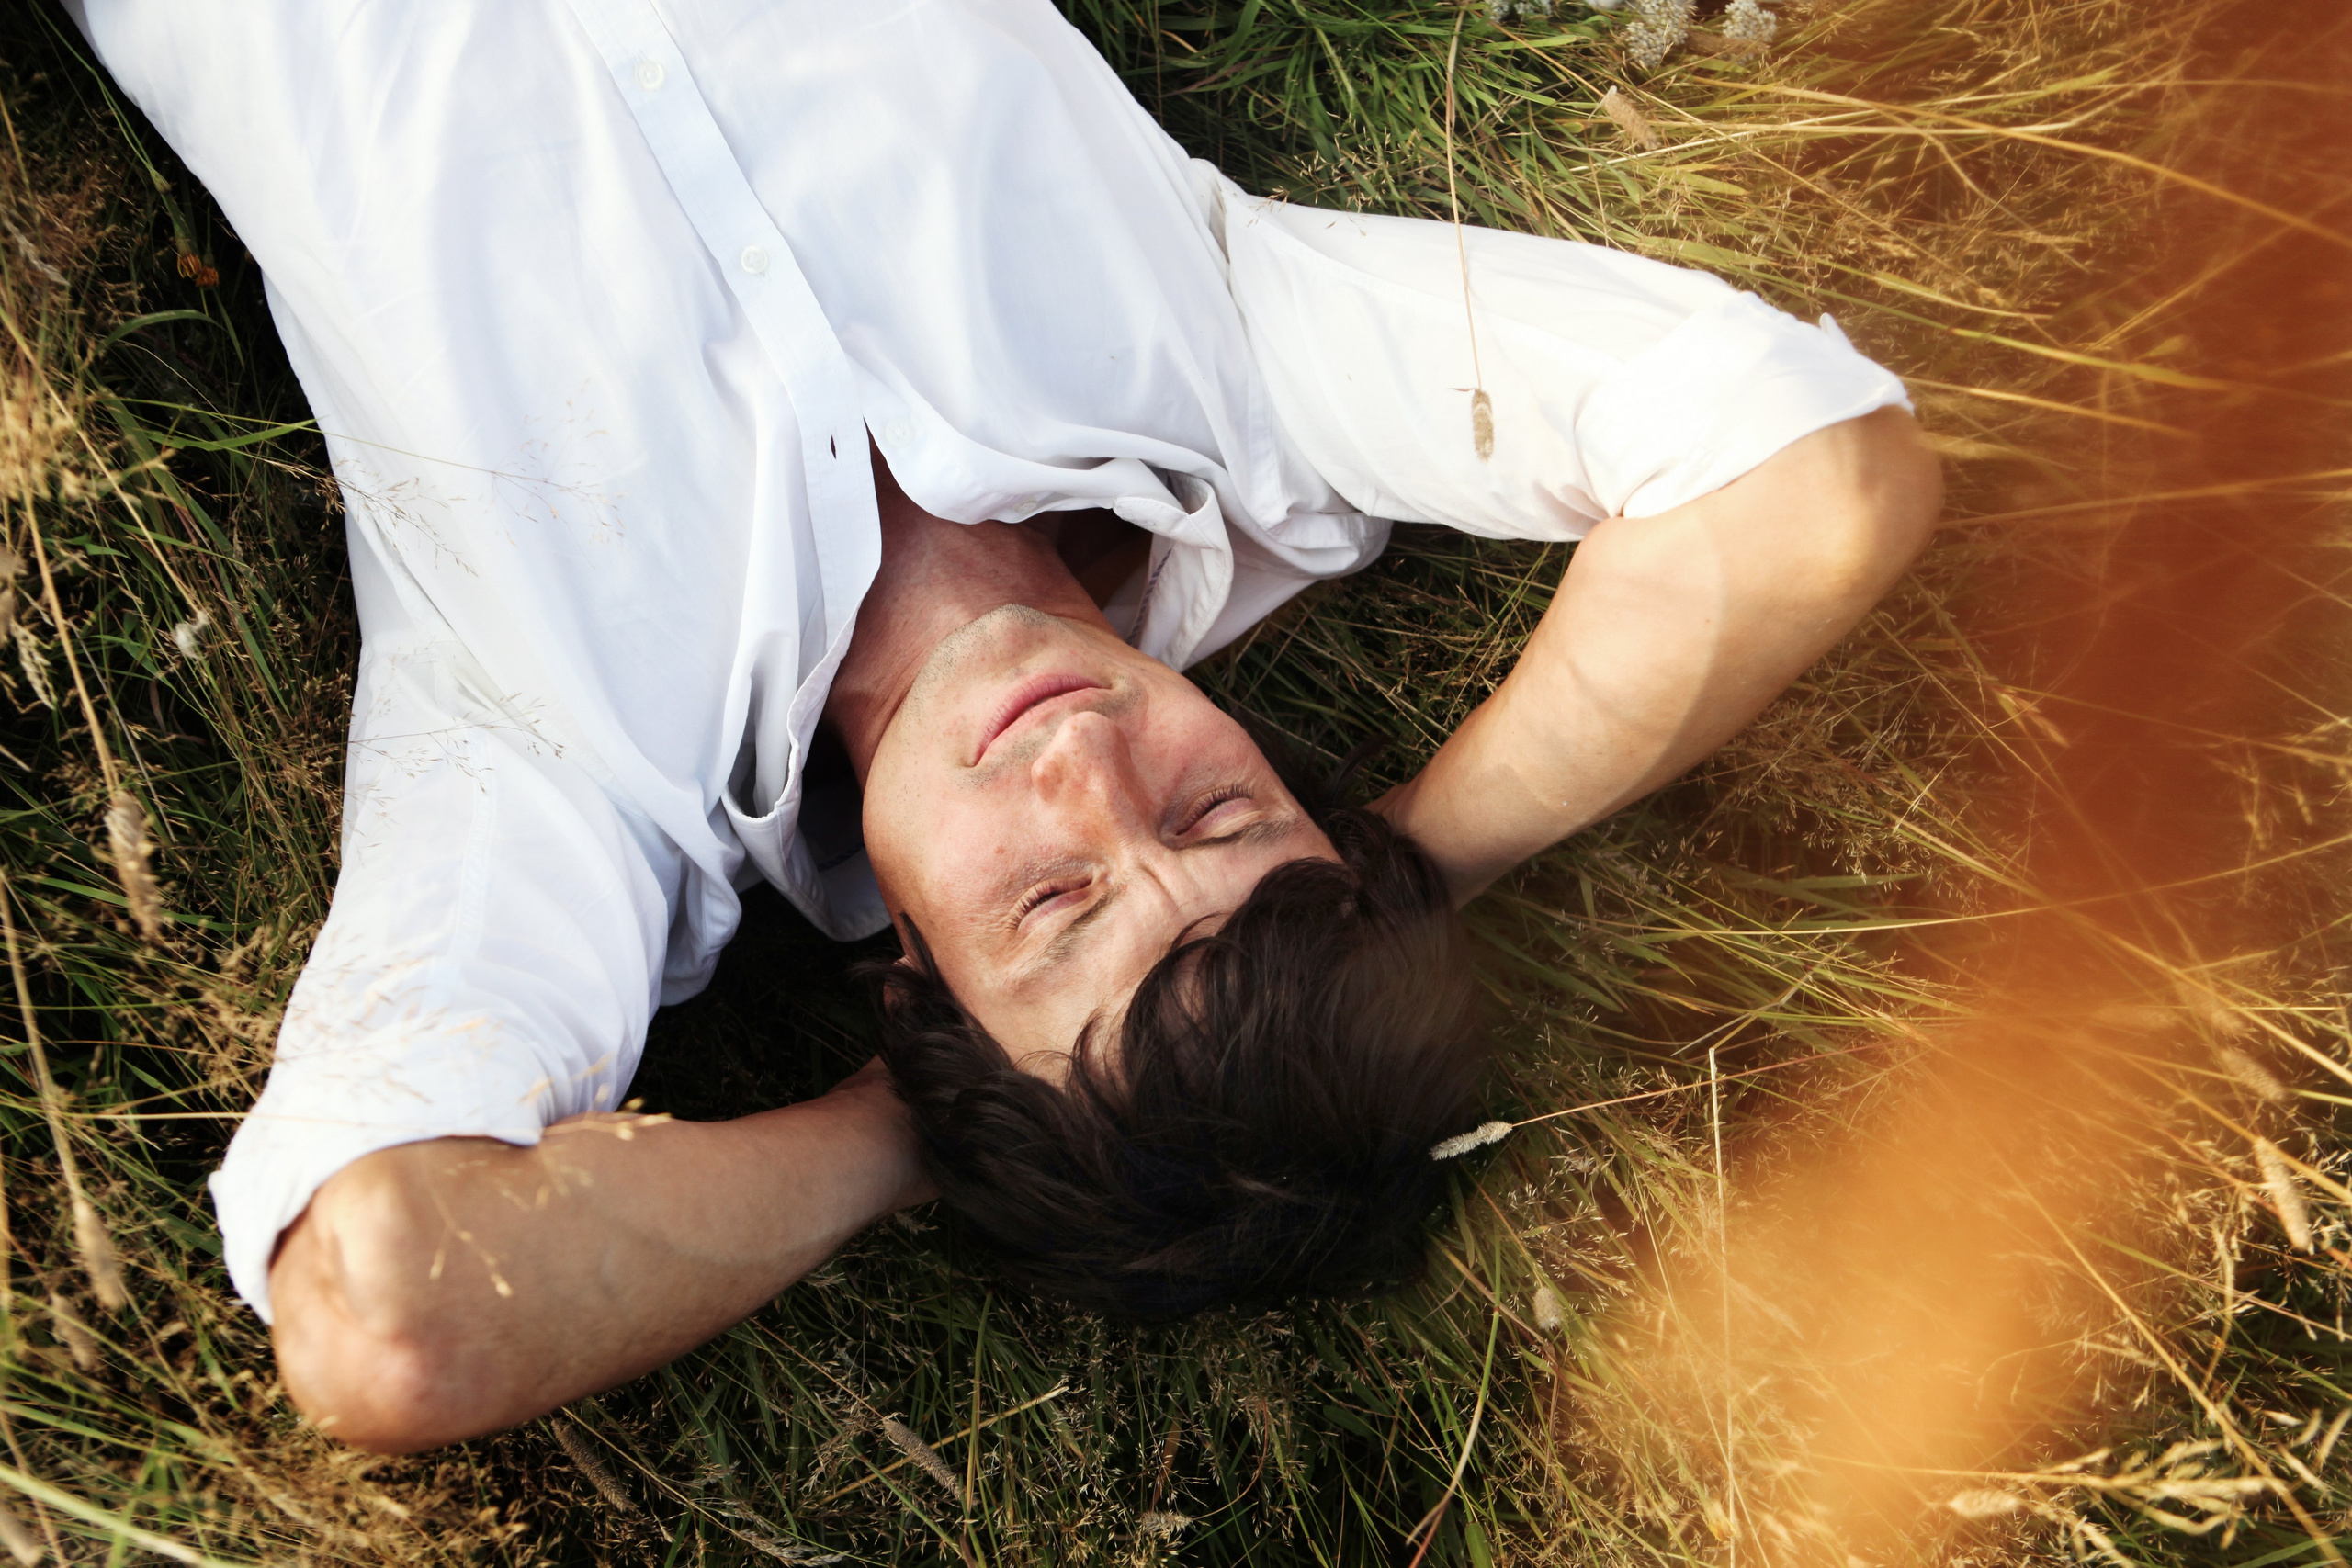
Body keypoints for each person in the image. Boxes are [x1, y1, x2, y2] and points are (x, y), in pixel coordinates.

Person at [67, 0, 1939, 1453]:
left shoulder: (564, 757)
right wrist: (1417, 872)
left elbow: (392, 1306)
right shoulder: (1238, 371)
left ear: (919, 993)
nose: (1082, 767)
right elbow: (1813, 480)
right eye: (1214, 818)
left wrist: (914, 1126)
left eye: (1048, 909)